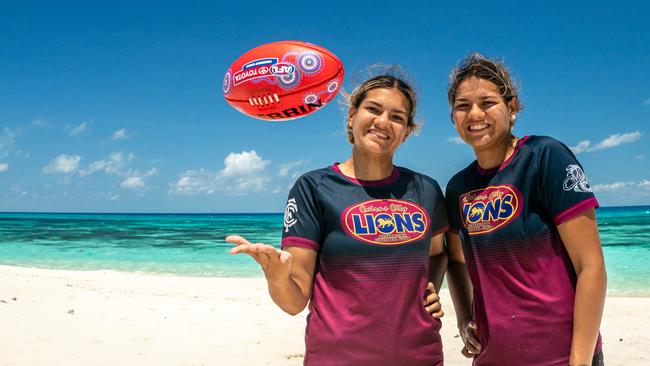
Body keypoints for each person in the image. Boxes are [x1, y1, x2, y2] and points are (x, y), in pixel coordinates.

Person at [227, 72, 449, 365]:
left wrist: (430, 287)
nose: (383, 121)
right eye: (373, 109)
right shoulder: (314, 188)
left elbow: (438, 252)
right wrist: (276, 276)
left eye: (397, 117)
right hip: (337, 356)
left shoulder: (425, 190)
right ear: (352, 116)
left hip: (419, 354)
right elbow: (294, 302)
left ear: (406, 131)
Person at [444, 53, 607, 366]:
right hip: (492, 357)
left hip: (562, 358)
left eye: (487, 102)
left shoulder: (545, 157)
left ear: (512, 107)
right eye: (463, 105)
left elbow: (591, 266)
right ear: (453, 117)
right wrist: (464, 319)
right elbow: (455, 259)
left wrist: (580, 361)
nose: (474, 113)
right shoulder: (457, 188)